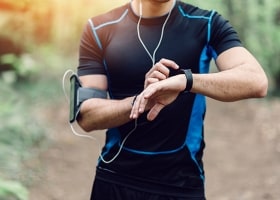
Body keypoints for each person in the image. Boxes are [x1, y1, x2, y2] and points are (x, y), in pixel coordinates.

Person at [75, 0, 268, 199]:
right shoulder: (99, 28)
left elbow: (256, 80)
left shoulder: (207, 24)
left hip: (182, 185)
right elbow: (87, 116)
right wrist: (142, 100)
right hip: (115, 180)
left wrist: (186, 81)